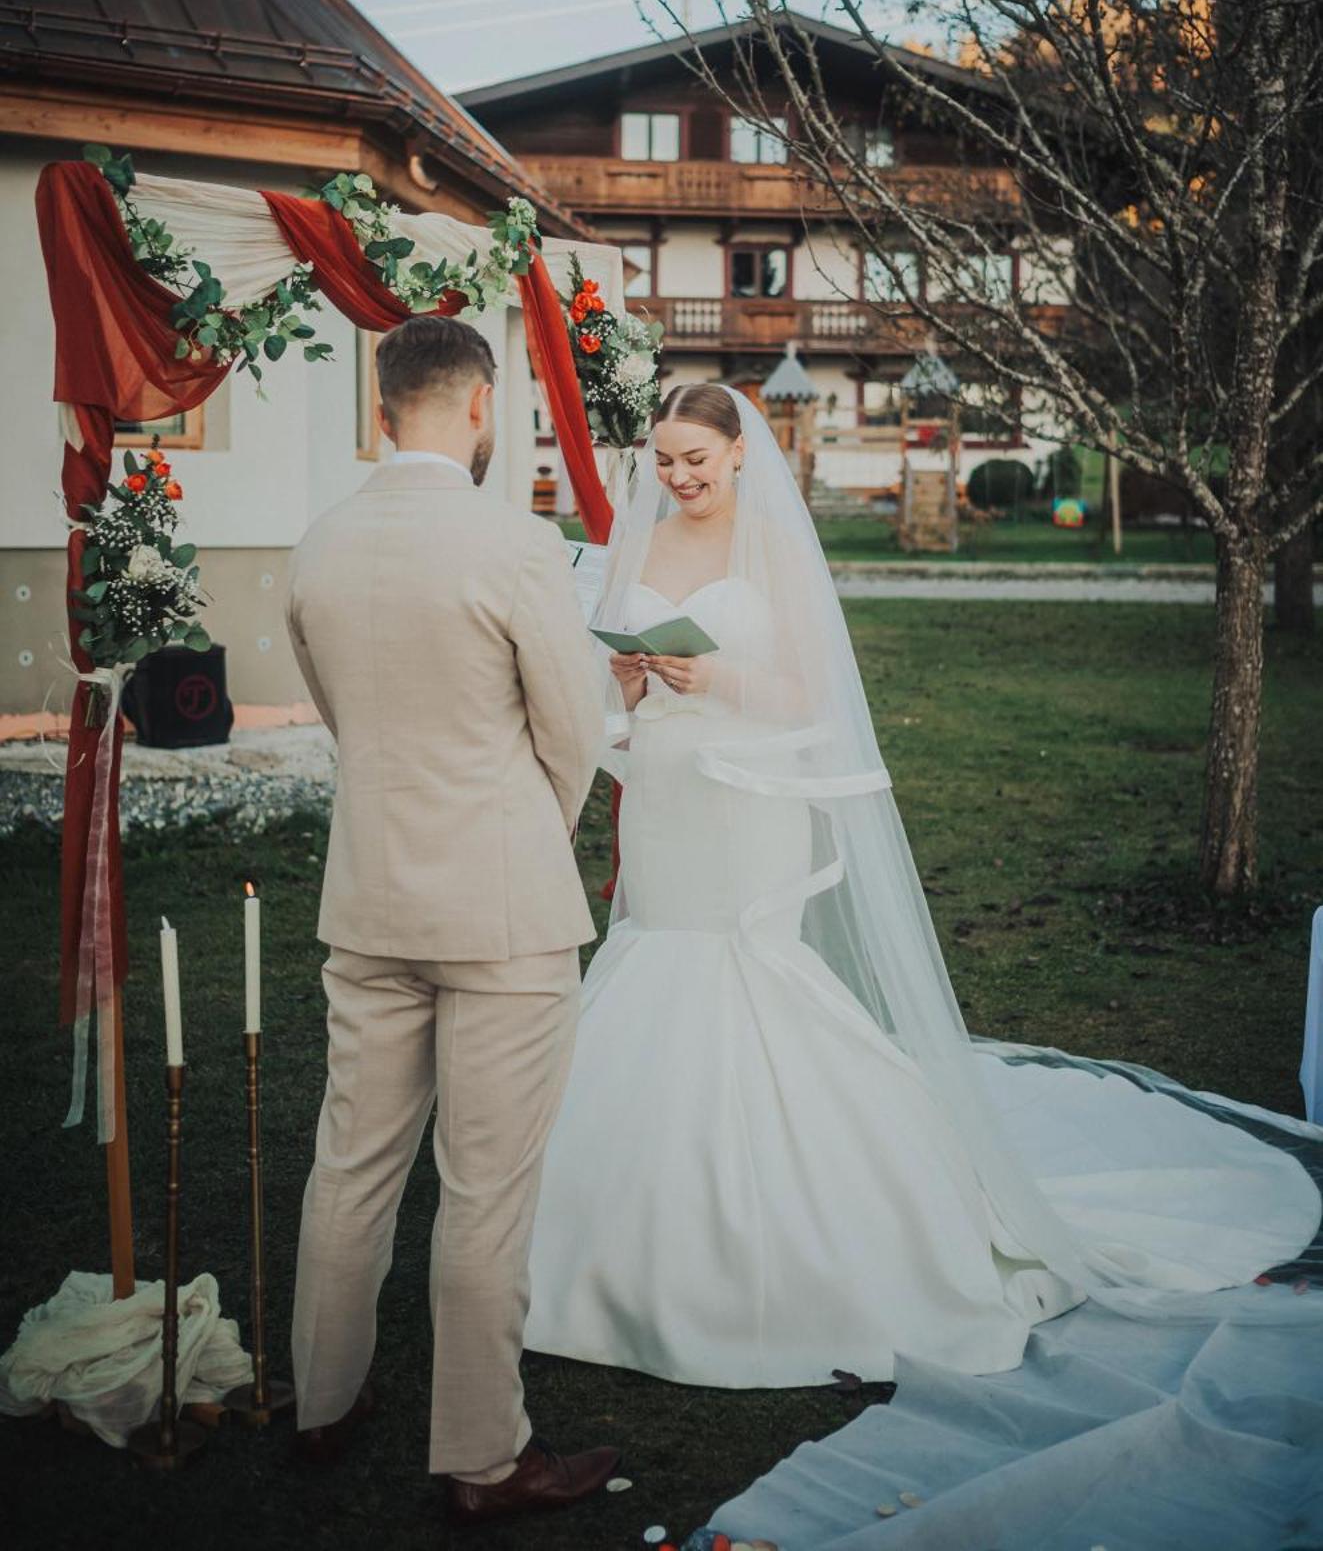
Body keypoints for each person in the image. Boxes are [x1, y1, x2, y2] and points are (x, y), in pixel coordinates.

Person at [526, 381, 1323, 1387]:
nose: (680, 477)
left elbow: (813, 692)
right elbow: (616, 686)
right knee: (657, 953)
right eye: (668, 460)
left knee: (750, 972)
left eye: (697, 458)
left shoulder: (774, 546)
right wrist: (637, 679)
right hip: (668, 794)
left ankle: (815, 1216)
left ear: (738, 454)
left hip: (753, 793)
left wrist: (715, 676)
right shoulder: (636, 550)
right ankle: (615, 1225)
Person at [285, 314, 620, 1528]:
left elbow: (340, 716)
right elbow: (574, 729)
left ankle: (322, 1404)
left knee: (352, 1159)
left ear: (383, 410)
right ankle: (483, 1455)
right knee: (484, 1188)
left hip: (369, 897)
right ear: (480, 406)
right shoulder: (515, 543)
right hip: (504, 908)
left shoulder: (318, 545)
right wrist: (536, 826)